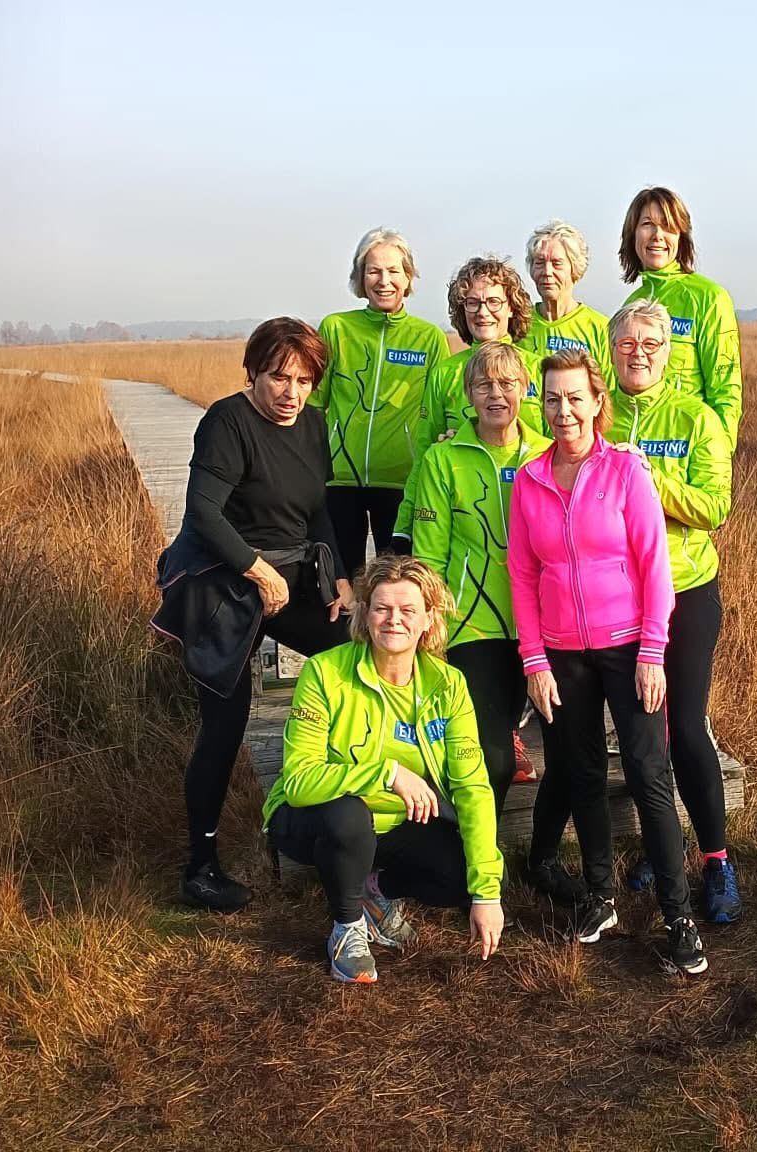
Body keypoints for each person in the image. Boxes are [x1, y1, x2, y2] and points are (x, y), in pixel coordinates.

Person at [508, 348, 709, 975]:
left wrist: (652, 650)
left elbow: (655, 566)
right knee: (582, 772)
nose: (563, 410)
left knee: (650, 775)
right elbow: (523, 575)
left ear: (598, 402)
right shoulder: (530, 480)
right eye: (552, 399)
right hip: (561, 654)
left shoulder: (625, 469)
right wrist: (534, 659)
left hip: (630, 650)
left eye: (575, 397)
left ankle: (678, 916)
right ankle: (600, 897)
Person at [154, 318, 355, 913]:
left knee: (354, 653)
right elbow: (204, 514)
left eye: (304, 381)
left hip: (288, 576)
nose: (291, 393)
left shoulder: (313, 425)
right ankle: (201, 867)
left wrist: (341, 576)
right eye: (278, 378)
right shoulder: (227, 422)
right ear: (253, 373)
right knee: (225, 723)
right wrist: (256, 570)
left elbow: (317, 512)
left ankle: (349, 809)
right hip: (224, 578)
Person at [261, 555, 504, 984]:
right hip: (315, 819)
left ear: (428, 618)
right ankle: (347, 927)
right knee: (349, 815)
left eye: (408, 609)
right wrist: (386, 773)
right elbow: (299, 781)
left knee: (460, 876)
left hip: (395, 825)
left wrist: (487, 892)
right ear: (365, 613)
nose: (394, 620)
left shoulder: (448, 684)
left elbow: (473, 787)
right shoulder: (324, 672)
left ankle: (375, 893)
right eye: (382, 608)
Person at [605, 300, 740, 923]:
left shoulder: (696, 417)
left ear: (668, 351)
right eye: (626, 343)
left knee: (685, 727)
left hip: (686, 589)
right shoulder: (598, 413)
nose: (638, 353)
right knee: (644, 736)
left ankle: (716, 859)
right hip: (618, 597)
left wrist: (648, 479)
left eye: (651, 344)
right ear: (612, 350)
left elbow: (714, 507)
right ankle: (664, 849)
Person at [402, 342, 550, 819]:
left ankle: (544, 853)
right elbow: (429, 556)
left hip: (545, 628)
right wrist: (431, 631)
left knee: (571, 756)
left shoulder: (548, 455)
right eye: (484, 385)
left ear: (524, 390)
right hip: (474, 626)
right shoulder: (442, 459)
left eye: (507, 384)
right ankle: (474, 850)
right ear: (467, 394)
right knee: (494, 761)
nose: (495, 394)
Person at [316, 228, 451, 570]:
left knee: (395, 581)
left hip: (400, 482)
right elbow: (314, 404)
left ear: (408, 277)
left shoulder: (429, 338)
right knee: (339, 582)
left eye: (394, 271)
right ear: (360, 277)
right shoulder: (335, 328)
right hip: (338, 479)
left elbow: (438, 411)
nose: (384, 281)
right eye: (374, 271)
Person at [620, 186, 743, 448]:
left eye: (668, 226)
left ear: (681, 236)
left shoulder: (709, 298)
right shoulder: (630, 306)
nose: (657, 235)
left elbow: (725, 389)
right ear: (632, 234)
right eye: (647, 224)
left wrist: (719, 455)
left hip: (686, 448)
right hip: (634, 454)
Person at [411, 255, 543, 458]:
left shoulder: (538, 369)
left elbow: (559, 446)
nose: (483, 312)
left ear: (511, 307)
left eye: (493, 302)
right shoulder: (444, 373)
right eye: (473, 303)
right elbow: (425, 449)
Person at [520, 220, 616, 385]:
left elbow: (611, 391)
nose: (547, 272)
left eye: (557, 263)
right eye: (539, 263)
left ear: (575, 268)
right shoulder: (518, 324)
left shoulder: (601, 329)